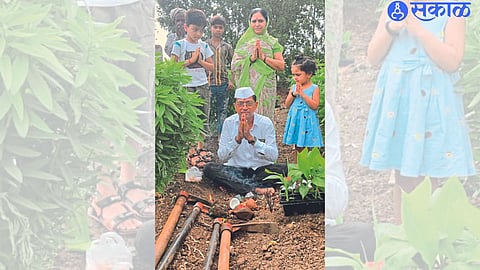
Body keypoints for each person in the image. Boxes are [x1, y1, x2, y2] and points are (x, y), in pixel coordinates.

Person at [361, 2, 476, 223]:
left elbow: (452, 60)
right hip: (401, 99)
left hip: (432, 99)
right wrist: (392, 28)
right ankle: (402, 238)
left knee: (431, 166)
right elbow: (373, 56)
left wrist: (416, 27)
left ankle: (429, 242)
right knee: (403, 169)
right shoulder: (396, 6)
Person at [80, 0, 156, 235]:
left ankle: (128, 180)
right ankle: (102, 191)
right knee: (97, 98)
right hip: (91, 7)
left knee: (136, 98)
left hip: (138, 6)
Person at [203, 87, 287, 195]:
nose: (244, 108)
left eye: (248, 103)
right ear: (235, 107)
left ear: (256, 105)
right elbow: (222, 157)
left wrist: (253, 140)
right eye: (240, 104)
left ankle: (236, 186)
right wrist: (237, 139)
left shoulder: (266, 123)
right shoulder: (229, 123)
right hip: (237, 170)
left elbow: (273, 156)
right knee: (209, 168)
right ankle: (255, 189)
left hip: (261, 170)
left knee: (286, 169)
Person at [171, 8, 214, 150]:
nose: (198, 34)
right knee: (187, 119)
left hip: (202, 86)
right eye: (195, 30)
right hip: (186, 87)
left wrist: (200, 61)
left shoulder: (204, 45)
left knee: (202, 118)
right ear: (186, 27)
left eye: (201, 31)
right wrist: (190, 61)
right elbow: (172, 67)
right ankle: (188, 150)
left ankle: (200, 149)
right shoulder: (179, 45)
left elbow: (212, 67)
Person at [231, 8, 285, 122]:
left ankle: (264, 139)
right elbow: (234, 65)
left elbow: (281, 66)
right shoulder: (243, 43)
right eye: (254, 21)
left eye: (260, 21)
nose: (257, 24)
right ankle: (247, 138)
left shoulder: (272, 42)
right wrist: (250, 59)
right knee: (247, 116)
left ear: (266, 22)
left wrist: (263, 58)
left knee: (265, 116)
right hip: (248, 86)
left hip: (266, 86)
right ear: (250, 22)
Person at [283, 55, 324, 152]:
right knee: (298, 146)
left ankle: (310, 165)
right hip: (297, 119)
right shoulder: (294, 88)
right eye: (293, 75)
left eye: (298, 75)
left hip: (309, 120)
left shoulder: (314, 88)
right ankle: (298, 164)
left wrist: (303, 95)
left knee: (310, 145)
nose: (295, 78)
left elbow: (315, 106)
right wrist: (293, 94)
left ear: (309, 74)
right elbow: (287, 104)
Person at [206, 15, 234, 138]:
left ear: (223, 29)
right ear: (211, 28)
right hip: (208, 84)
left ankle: (221, 136)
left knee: (222, 111)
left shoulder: (226, 47)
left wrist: (232, 80)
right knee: (207, 111)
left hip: (223, 83)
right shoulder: (204, 45)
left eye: (220, 27)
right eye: (215, 27)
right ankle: (206, 137)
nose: (218, 30)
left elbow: (233, 64)